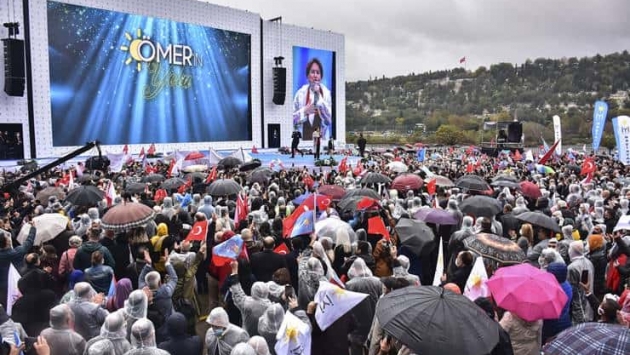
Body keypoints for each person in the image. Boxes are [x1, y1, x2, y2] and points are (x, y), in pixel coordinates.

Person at [292, 58, 332, 141]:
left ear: (321, 76)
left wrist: (319, 96)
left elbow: (329, 120)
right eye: (313, 72)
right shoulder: (300, 93)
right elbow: (291, 119)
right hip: (303, 140)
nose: (315, 75)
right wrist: (304, 111)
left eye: (318, 72)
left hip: (321, 140)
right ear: (307, 75)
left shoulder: (326, 93)